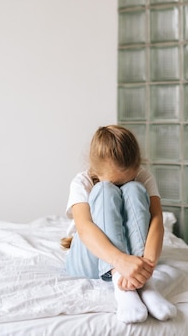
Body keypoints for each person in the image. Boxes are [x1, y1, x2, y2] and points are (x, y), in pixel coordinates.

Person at [62, 124, 177, 324]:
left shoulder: (143, 177)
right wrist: (119, 262)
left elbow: (157, 219)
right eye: (117, 183)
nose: (121, 187)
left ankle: (144, 285)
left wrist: (146, 267)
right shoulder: (81, 183)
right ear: (96, 170)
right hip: (90, 256)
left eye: (129, 178)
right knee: (104, 192)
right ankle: (121, 286)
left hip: (135, 260)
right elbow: (84, 228)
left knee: (135, 189)